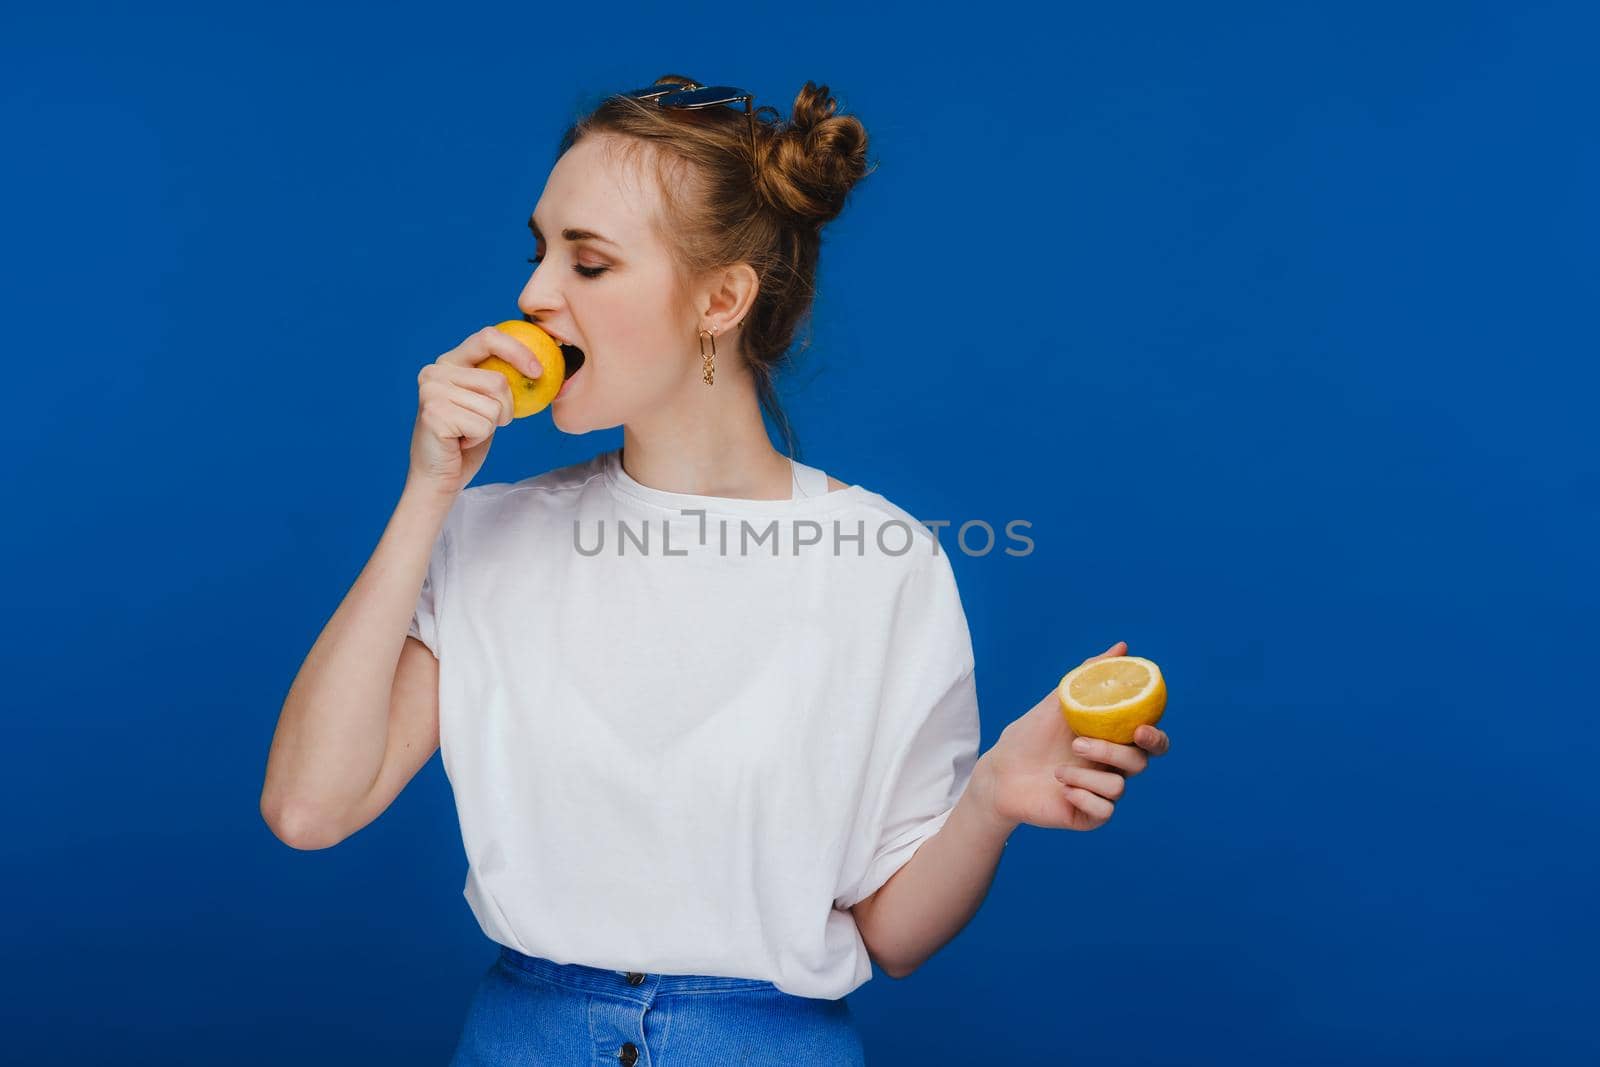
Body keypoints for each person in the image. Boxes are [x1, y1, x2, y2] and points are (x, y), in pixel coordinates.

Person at [260, 74, 1172, 1066]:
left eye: (590, 262)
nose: (532, 295)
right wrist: (427, 490)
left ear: (722, 298)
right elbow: (309, 808)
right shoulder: (485, 534)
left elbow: (889, 934)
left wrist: (993, 794)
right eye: (539, 251)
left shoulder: (884, 562)